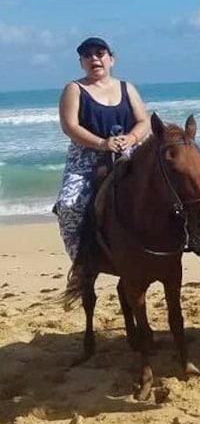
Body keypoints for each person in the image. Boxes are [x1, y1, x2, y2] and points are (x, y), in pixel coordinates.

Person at [55, 36, 150, 288]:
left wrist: (131, 138)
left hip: (127, 153)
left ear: (111, 59)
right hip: (86, 158)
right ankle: (80, 263)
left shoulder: (127, 87)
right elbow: (70, 126)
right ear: (81, 62)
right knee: (68, 206)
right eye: (88, 55)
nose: (94, 59)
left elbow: (144, 121)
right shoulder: (74, 89)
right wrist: (101, 143)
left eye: (100, 53)